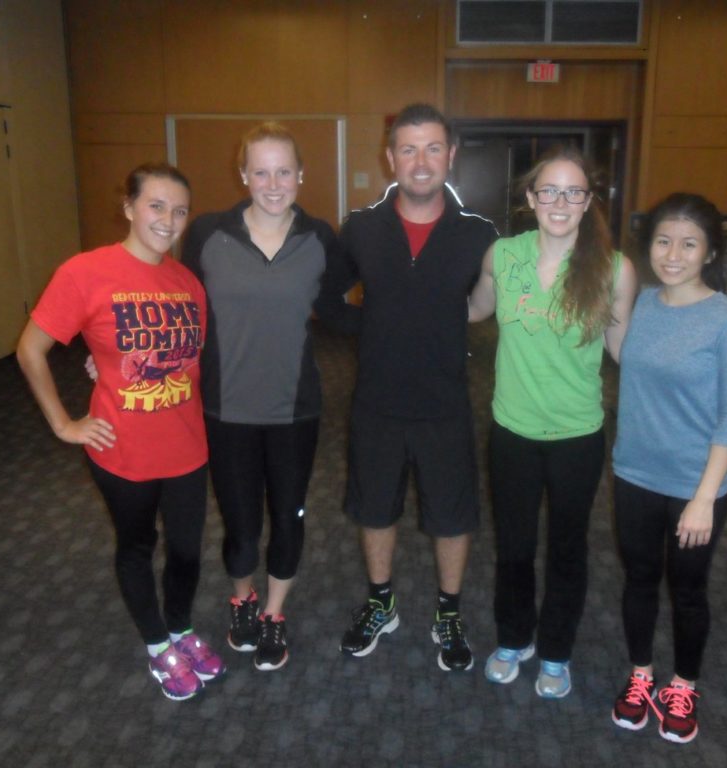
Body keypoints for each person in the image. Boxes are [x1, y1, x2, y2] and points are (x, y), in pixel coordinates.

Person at [17, 163, 224, 701]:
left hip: (187, 446)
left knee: (187, 551)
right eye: (156, 205)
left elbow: (185, 362)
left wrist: (111, 363)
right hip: (120, 448)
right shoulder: (85, 272)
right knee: (137, 546)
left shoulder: (188, 284)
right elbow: (31, 349)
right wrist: (64, 423)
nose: (168, 220)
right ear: (129, 207)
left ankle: (180, 629)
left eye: (180, 210)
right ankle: (158, 646)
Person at [315, 104, 497, 671]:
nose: (421, 161)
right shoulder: (362, 228)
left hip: (446, 402)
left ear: (451, 155)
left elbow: (506, 302)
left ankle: (448, 612)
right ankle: (381, 603)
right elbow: (325, 298)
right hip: (378, 402)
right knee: (375, 509)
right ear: (390, 157)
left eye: (433, 148)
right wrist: (372, 326)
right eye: (409, 149)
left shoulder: (479, 234)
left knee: (453, 515)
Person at [467, 147, 636, 698]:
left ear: (588, 202)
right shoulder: (503, 255)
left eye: (573, 192)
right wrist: (410, 302)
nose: (560, 202)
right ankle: (514, 638)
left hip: (577, 435)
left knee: (567, 549)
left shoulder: (613, 269)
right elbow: (474, 309)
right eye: (549, 191)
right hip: (512, 430)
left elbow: (624, 349)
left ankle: (557, 651)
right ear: (530, 198)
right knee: (514, 546)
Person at [180, 122, 338, 672]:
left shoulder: (319, 238)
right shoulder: (208, 233)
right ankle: (242, 598)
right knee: (241, 523)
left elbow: (342, 310)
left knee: (288, 518)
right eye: (262, 172)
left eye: (284, 171)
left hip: (295, 410)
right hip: (226, 409)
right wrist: (112, 354)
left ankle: (273, 611)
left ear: (301, 175)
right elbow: (176, 304)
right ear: (243, 174)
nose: (273, 184)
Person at [609, 192, 727, 742]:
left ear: (710, 252)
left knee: (688, 588)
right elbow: (627, 360)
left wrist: (704, 498)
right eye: (663, 241)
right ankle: (641, 675)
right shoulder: (644, 304)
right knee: (640, 577)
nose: (673, 255)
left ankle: (684, 685)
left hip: (697, 483)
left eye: (689, 244)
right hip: (634, 472)